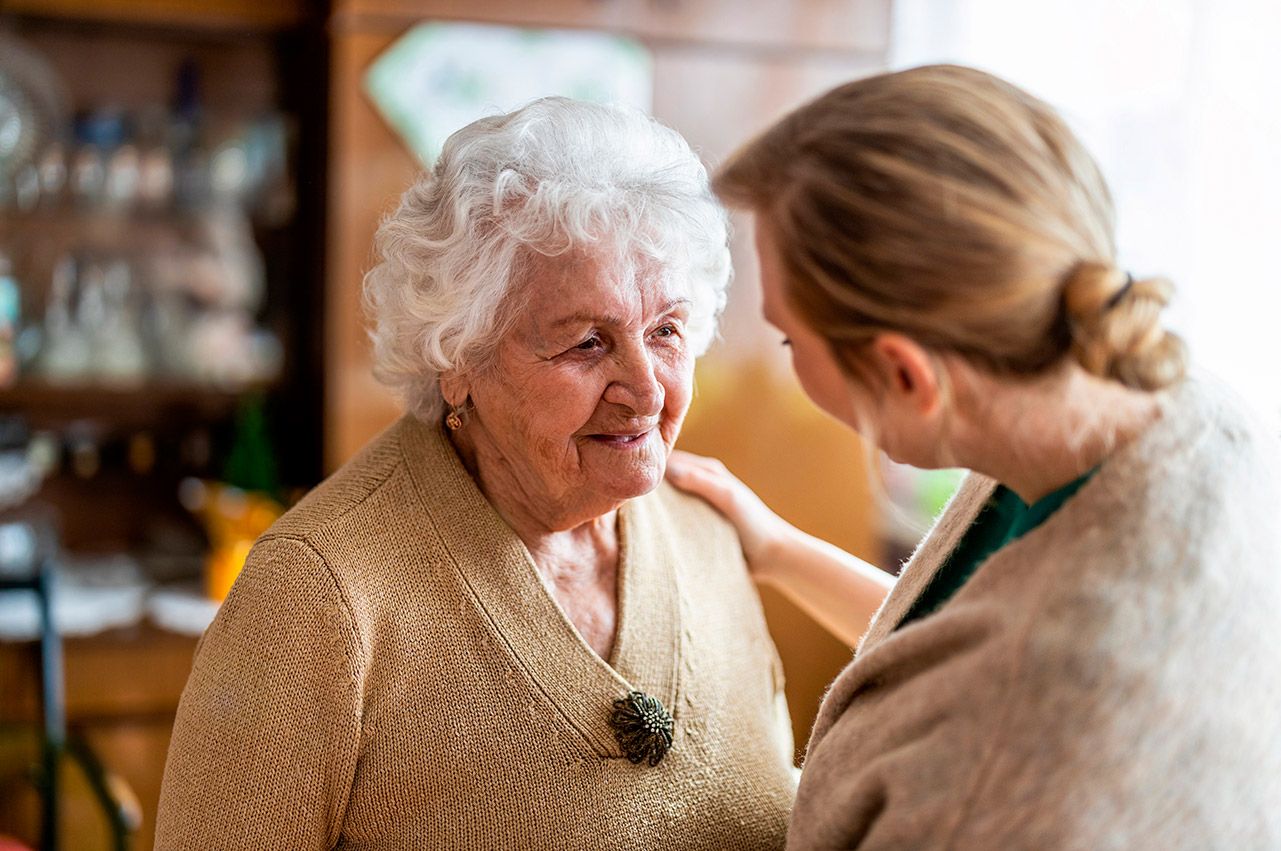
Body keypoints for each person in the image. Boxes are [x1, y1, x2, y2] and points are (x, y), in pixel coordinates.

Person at [155, 98, 796, 850]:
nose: (647, 390)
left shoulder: (709, 535)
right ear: (457, 360)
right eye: (587, 343)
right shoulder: (317, 596)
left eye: (665, 331)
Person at [667, 64, 1281, 849]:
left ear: (903, 374)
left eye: (788, 337)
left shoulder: (1008, 765)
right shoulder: (1158, 403)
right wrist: (776, 549)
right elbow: (955, 645)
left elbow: (992, 699)